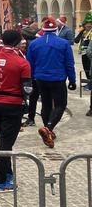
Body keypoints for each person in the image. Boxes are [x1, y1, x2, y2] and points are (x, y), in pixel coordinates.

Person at [0, 30, 32, 192]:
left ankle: (7, 173)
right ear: (17, 43)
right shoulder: (22, 63)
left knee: (3, 140)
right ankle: (2, 180)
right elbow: (27, 88)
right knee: (6, 143)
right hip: (12, 104)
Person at [26, 17, 76, 148]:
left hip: (40, 78)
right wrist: (72, 79)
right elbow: (69, 63)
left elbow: (29, 63)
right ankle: (48, 128)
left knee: (46, 105)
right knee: (60, 105)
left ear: (43, 29)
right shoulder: (63, 43)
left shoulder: (34, 44)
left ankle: (48, 130)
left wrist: (30, 79)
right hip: (58, 78)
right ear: (56, 29)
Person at [22, 21, 41, 126]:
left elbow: (29, 61)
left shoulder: (31, 43)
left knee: (33, 97)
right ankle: (47, 119)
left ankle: (31, 118)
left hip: (34, 74)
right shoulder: (36, 41)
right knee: (43, 97)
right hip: (42, 74)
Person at [75, 11, 92, 91]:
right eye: (87, 24)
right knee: (85, 68)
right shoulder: (83, 32)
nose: (89, 25)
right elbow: (76, 40)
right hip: (83, 53)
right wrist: (81, 31)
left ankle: (90, 83)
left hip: (89, 53)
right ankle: (88, 82)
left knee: (89, 68)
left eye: (90, 24)